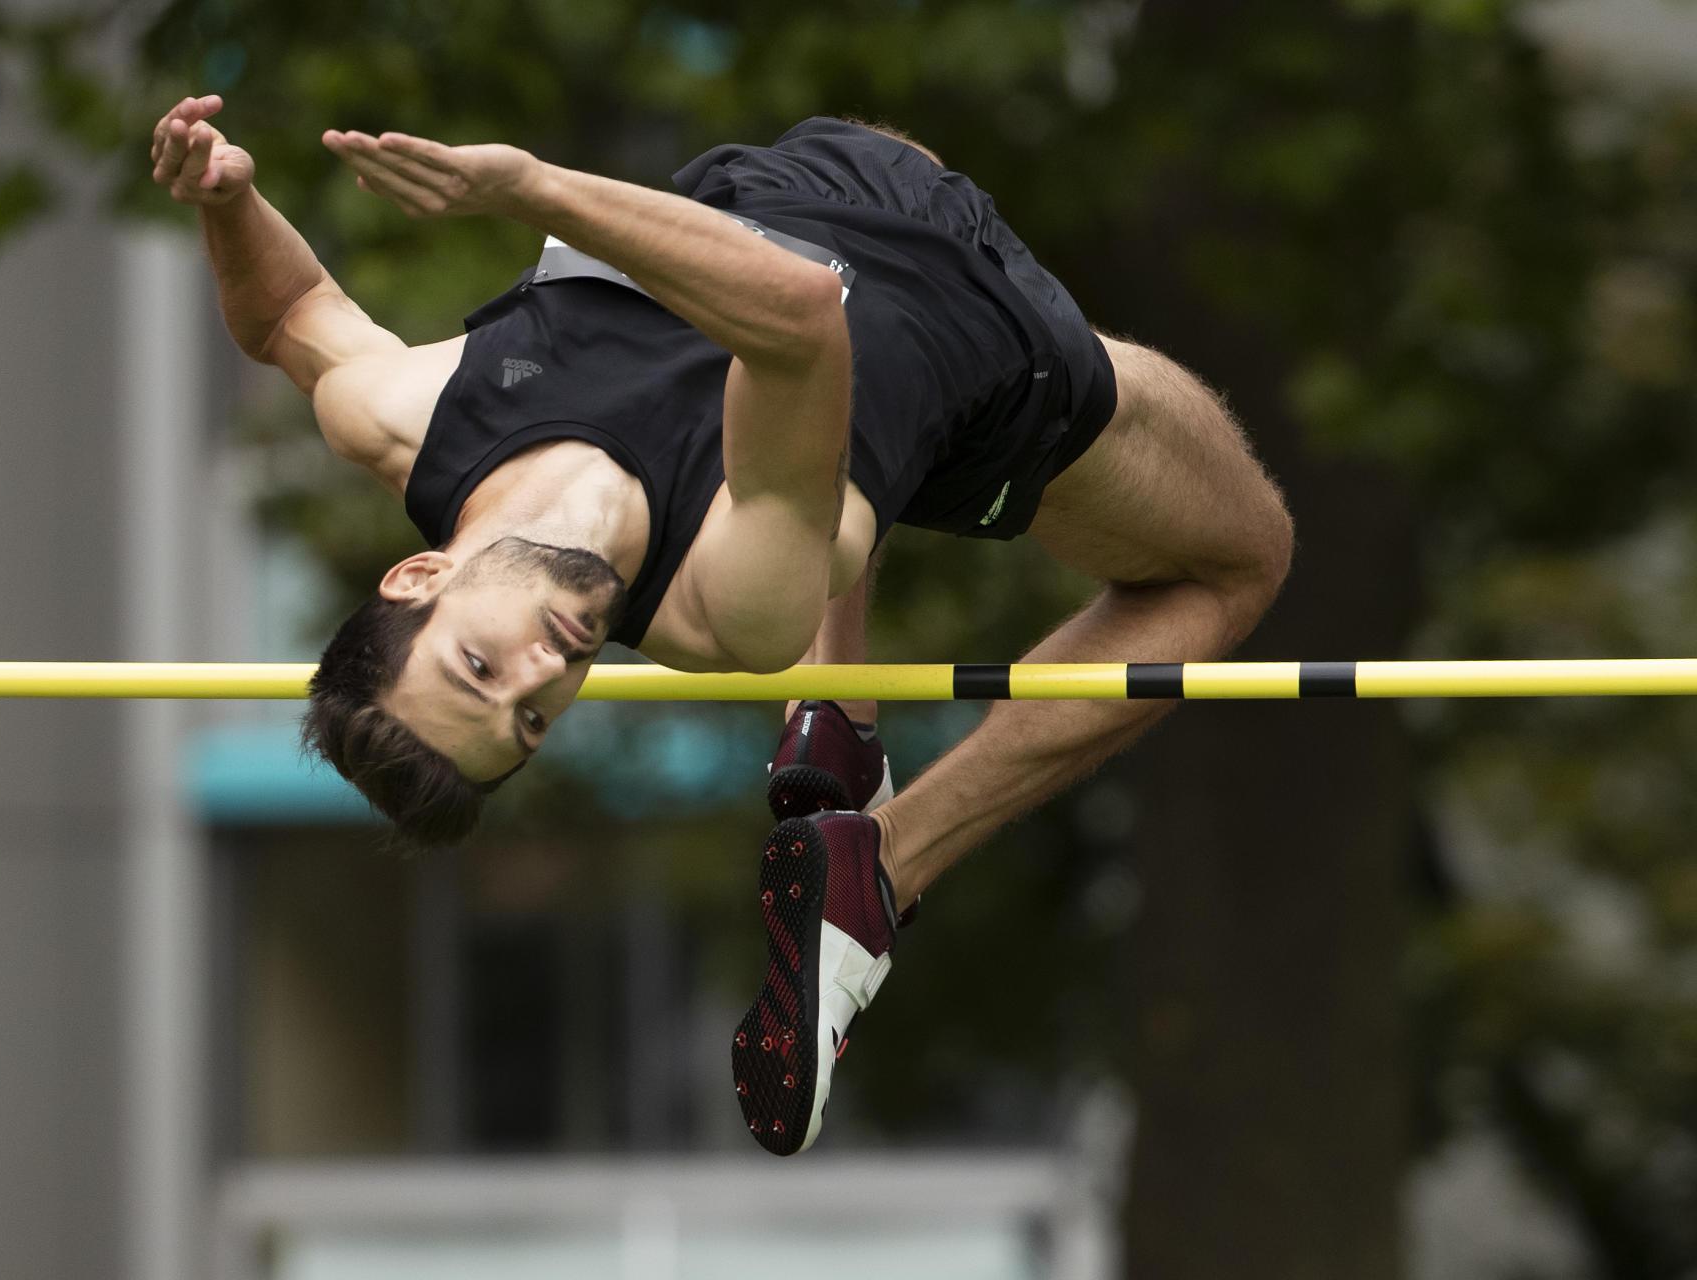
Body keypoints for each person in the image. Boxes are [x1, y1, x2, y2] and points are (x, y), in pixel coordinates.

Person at [149, 94, 1294, 1155]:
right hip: (974, 346)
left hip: (801, 186)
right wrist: (533, 188)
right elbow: (796, 319)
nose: (547, 670)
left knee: (885, 151)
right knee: (1236, 558)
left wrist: (229, 202)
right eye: (537, 717)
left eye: (482, 663)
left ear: (415, 576)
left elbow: (291, 315)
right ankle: (885, 866)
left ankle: (833, 718)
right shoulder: (725, 599)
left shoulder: (409, 414)